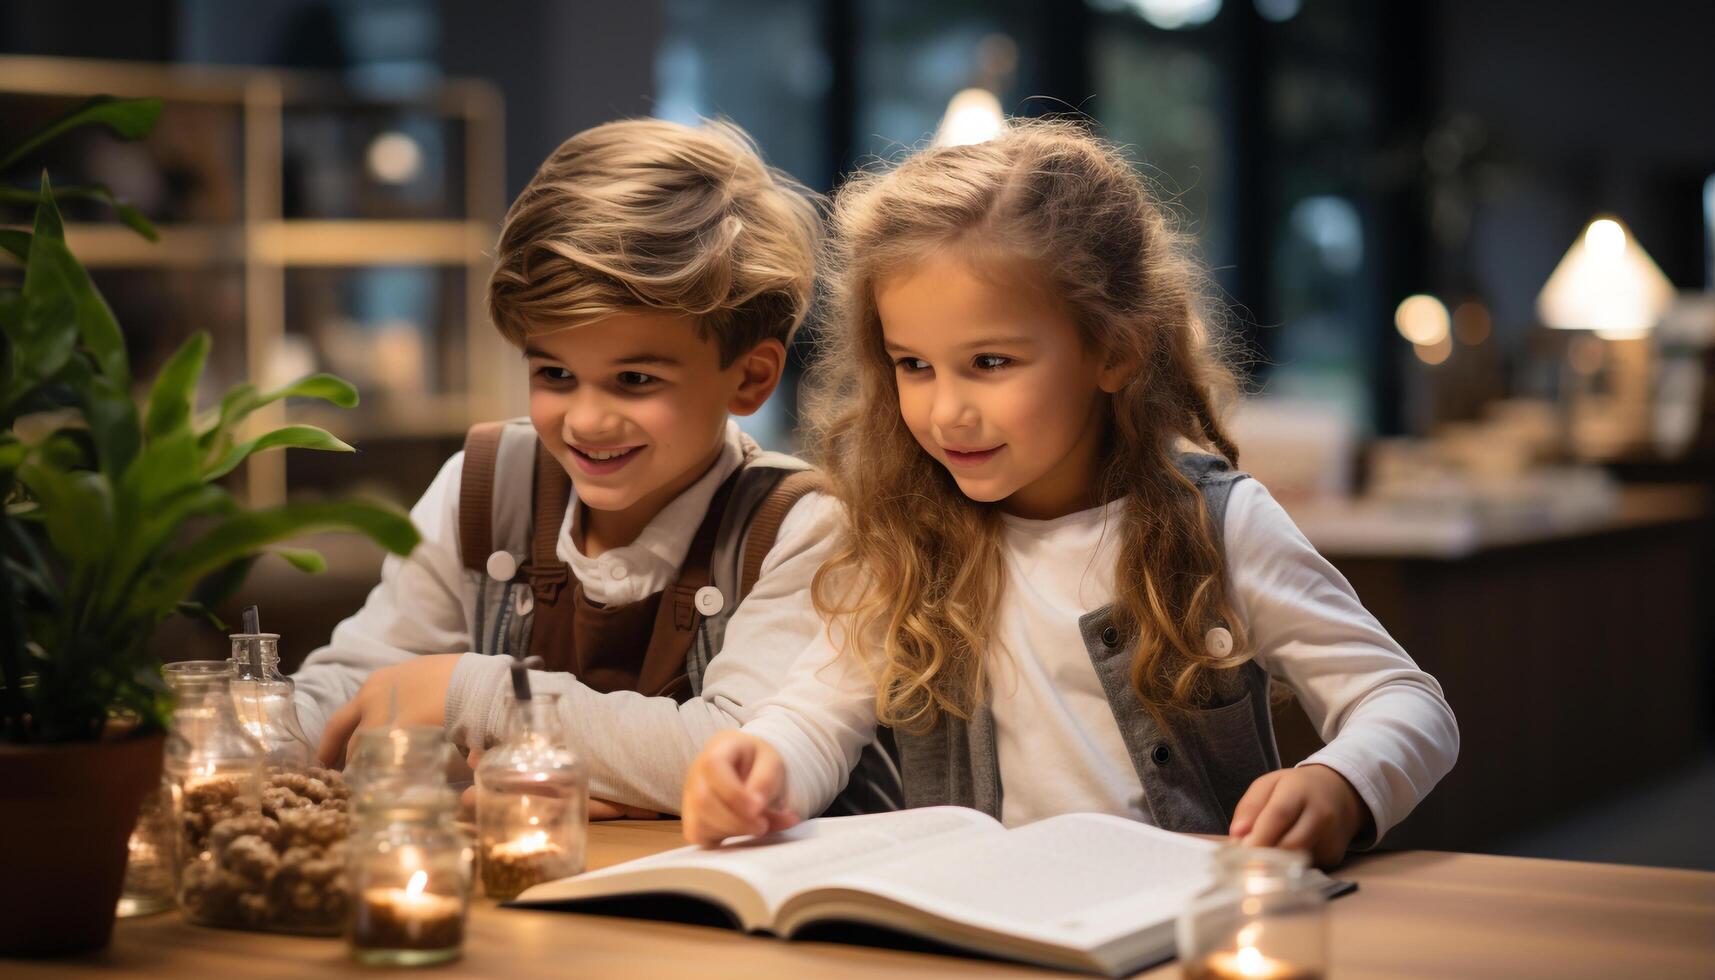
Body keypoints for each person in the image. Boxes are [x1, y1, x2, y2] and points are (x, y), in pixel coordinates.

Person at [681, 119, 1457, 867]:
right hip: (982, 933)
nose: (945, 408)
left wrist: (1340, 783)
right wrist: (762, 767)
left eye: (989, 362)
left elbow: (1405, 703)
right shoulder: (910, 538)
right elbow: (817, 715)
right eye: (912, 365)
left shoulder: (1216, 527)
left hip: (1173, 931)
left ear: (1113, 353)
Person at [290, 118, 898, 818]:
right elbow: (359, 685)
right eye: (554, 373)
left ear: (751, 376)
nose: (585, 421)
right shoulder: (483, 488)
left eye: (634, 380)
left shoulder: (800, 529)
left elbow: (732, 752)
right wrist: (252, 734)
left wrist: (477, 694)